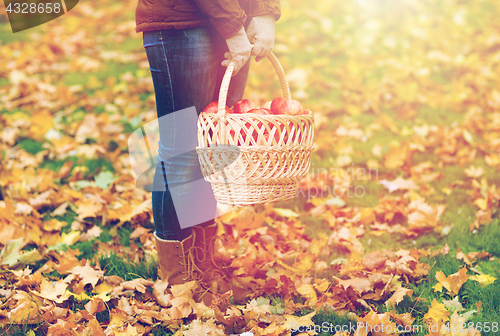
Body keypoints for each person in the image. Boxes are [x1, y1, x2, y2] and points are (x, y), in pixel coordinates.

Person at [135, 0, 280, 300]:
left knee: (211, 147)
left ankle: (201, 262)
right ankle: (176, 274)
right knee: (182, 149)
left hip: (233, 19)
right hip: (182, 20)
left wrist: (265, 11)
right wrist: (232, 27)